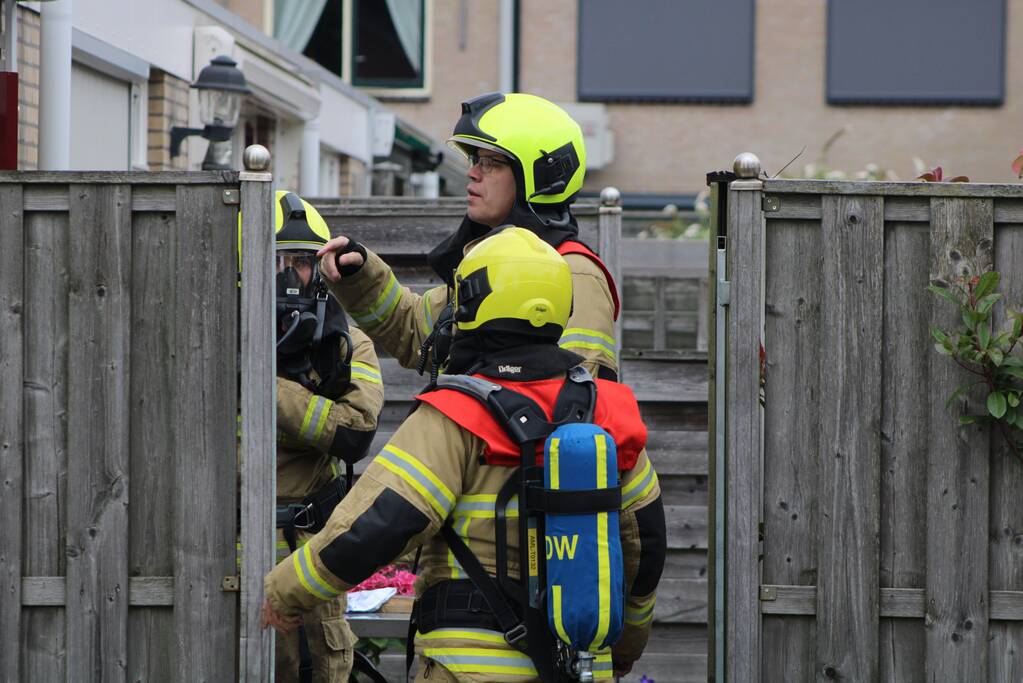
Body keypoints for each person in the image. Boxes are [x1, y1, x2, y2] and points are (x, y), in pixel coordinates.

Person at [262, 228, 666, 682]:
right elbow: (645, 544)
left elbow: (379, 523)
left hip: (468, 666)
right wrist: (626, 641)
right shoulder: (608, 411)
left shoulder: (456, 413)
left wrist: (284, 591)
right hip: (579, 667)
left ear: (473, 303)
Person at [316, 92, 621, 382]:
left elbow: (574, 401)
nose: (473, 173)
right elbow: (415, 331)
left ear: (540, 177)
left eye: (491, 163)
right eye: (475, 160)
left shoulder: (575, 274)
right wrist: (359, 273)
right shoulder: (494, 263)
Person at [271, 190, 385, 683]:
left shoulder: (346, 341)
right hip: (217, 557)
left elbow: (355, 432)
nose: (288, 274)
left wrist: (264, 386)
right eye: (276, 258)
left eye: (300, 261)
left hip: (307, 553)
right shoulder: (208, 336)